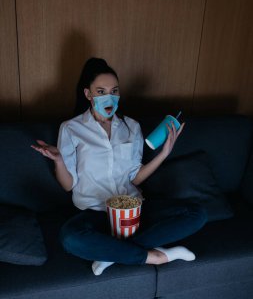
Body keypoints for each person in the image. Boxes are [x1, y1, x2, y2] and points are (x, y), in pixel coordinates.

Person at [31, 58, 207, 275]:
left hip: (134, 209)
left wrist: (164, 154)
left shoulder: (132, 127)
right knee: (69, 238)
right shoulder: (71, 128)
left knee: (196, 213)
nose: (110, 97)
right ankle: (156, 255)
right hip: (96, 212)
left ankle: (111, 256)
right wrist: (58, 160)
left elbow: (135, 177)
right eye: (101, 91)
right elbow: (69, 185)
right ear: (88, 94)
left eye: (114, 91)